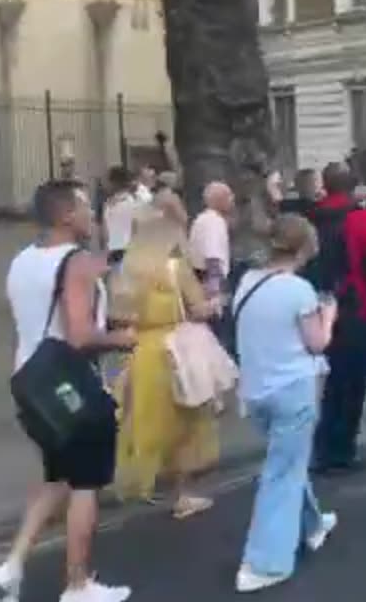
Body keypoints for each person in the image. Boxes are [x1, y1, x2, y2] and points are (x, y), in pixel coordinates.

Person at [0, 179, 136, 602]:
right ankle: (78, 584)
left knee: (57, 477)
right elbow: (80, 335)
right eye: (87, 208)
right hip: (73, 386)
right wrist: (122, 338)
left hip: (31, 383)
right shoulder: (78, 263)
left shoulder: (21, 260)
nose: (93, 216)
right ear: (67, 215)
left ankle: (10, 567)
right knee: (86, 484)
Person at [232, 214, 340, 593]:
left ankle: (312, 524)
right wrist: (329, 317)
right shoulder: (299, 290)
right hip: (293, 388)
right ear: (304, 248)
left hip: (256, 390)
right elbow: (317, 343)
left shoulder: (246, 282)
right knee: (282, 471)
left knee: (288, 460)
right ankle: (264, 562)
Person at [111, 211, 221, 518]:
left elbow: (120, 318)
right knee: (185, 423)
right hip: (175, 350)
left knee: (145, 420)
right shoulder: (175, 269)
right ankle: (182, 495)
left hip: (141, 351)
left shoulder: (126, 270)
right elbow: (197, 309)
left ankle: (143, 482)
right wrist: (214, 304)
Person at [309, 163, 366, 475]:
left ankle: (323, 446)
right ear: (353, 186)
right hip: (356, 309)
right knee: (351, 383)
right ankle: (339, 449)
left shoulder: (311, 217)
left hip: (317, 307)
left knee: (331, 383)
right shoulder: (360, 218)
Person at [188, 182, 234, 294]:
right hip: (209, 281)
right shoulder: (214, 221)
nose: (232, 201)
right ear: (220, 200)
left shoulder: (202, 218)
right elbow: (212, 256)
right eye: (229, 197)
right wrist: (215, 288)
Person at [102, 167, 141, 267]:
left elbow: (136, 227)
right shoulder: (109, 203)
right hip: (119, 249)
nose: (105, 184)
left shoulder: (130, 202)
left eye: (107, 180)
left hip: (120, 249)